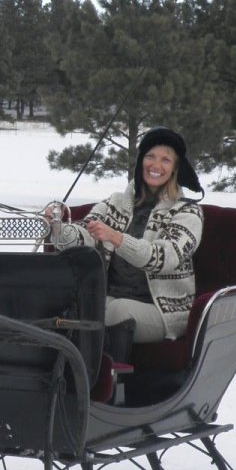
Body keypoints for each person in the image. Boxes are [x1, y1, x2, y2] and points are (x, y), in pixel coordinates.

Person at [44, 127, 204, 368]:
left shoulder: (188, 212)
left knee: (118, 310)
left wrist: (118, 239)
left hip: (163, 310)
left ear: (175, 169)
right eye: (150, 156)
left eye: (165, 159)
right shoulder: (116, 203)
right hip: (111, 297)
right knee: (78, 305)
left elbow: (163, 257)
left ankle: (106, 381)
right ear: (141, 161)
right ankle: (61, 375)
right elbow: (84, 235)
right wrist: (57, 229)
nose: (155, 165)